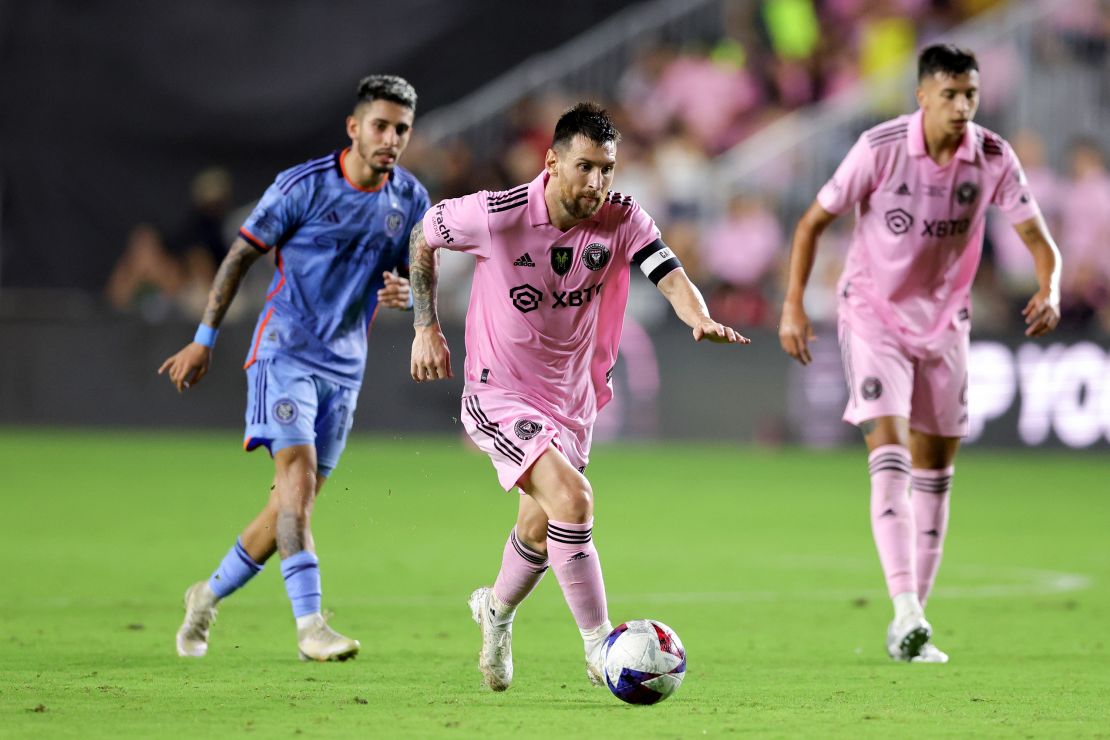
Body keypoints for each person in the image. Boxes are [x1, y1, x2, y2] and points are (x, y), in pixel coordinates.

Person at [408, 102, 749, 691]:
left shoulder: (621, 217)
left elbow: (667, 271)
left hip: (573, 400)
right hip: (500, 392)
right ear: (553, 161)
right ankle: (600, 648)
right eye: (586, 167)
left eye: (608, 169)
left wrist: (699, 315)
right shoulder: (496, 214)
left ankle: (497, 612)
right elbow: (422, 236)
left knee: (540, 531)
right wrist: (424, 327)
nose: (597, 182)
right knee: (575, 500)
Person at [778, 44, 1062, 663]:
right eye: (951, 95)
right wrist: (794, 306)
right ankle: (905, 607)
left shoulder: (991, 156)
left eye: (971, 95)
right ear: (922, 96)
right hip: (872, 315)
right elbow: (810, 223)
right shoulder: (879, 148)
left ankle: (912, 626)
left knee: (936, 469)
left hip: (944, 325)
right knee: (890, 446)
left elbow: (1039, 239)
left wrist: (1050, 286)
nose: (963, 107)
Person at [158, 75, 429, 662]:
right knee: (298, 486)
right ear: (354, 128)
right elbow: (239, 255)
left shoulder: (409, 200)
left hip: (345, 368)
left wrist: (403, 292)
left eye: (401, 129)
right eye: (380, 126)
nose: (391, 138)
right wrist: (204, 339)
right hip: (284, 353)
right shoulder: (303, 187)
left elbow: (409, 273)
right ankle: (311, 628)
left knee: (287, 505)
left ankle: (205, 596)